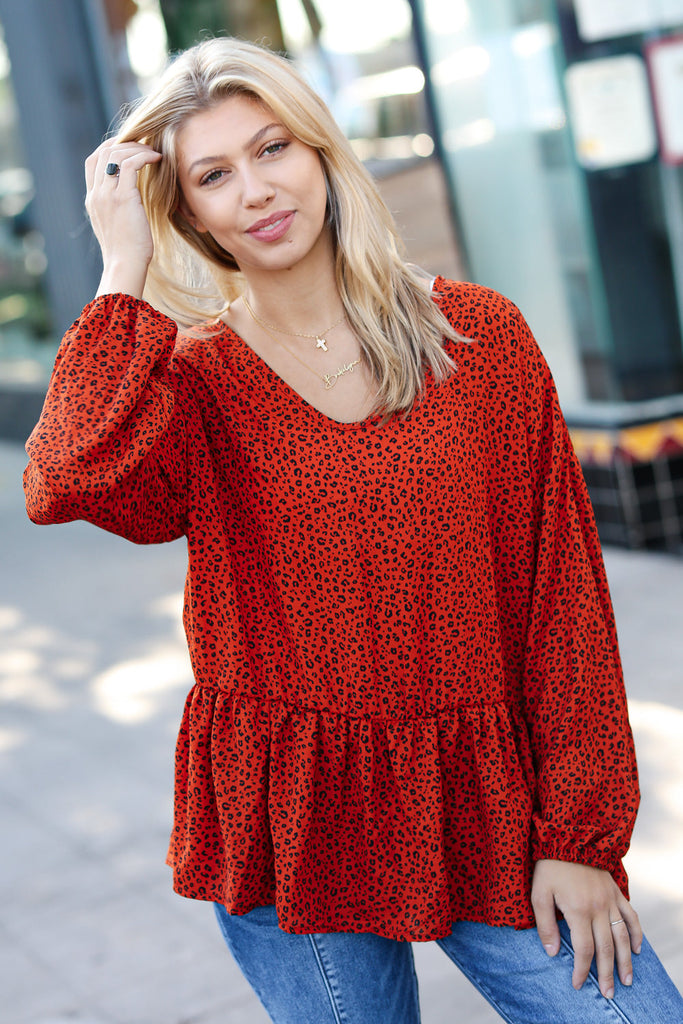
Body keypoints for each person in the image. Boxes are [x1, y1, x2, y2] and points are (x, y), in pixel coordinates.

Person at [23, 36, 683, 1024]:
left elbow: (561, 597)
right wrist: (122, 269)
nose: (254, 189)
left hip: (487, 801)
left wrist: (581, 837)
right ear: (186, 210)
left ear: (324, 152)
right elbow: (64, 476)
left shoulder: (479, 336)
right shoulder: (191, 386)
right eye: (212, 173)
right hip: (295, 814)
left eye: (273, 147)